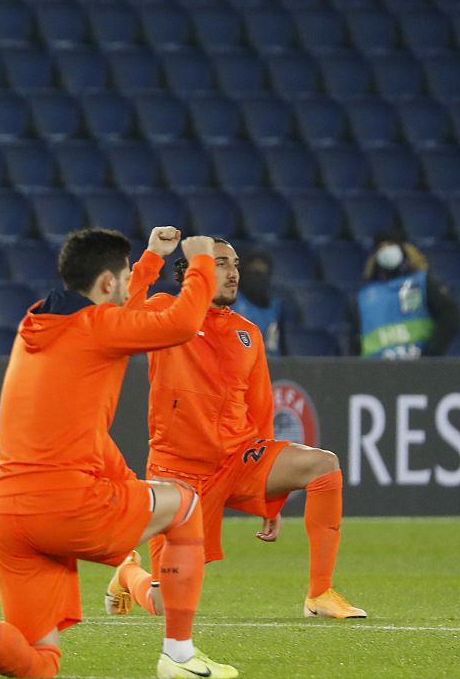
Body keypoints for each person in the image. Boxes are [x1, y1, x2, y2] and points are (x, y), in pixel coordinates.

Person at [0, 227, 238, 679]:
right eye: (128, 274)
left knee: (40, 663)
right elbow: (181, 324)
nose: (133, 280)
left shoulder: (35, 322)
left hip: (8, 516)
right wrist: (199, 267)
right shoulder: (98, 328)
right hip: (67, 505)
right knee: (186, 503)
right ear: (108, 284)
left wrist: (152, 259)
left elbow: (119, 317)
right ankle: (178, 655)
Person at [105, 240, 365, 620]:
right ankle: (128, 572)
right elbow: (121, 309)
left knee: (323, 465)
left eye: (235, 264)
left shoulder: (248, 333)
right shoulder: (165, 312)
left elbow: (260, 410)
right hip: (179, 473)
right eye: (221, 263)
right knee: (167, 606)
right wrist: (152, 256)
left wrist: (270, 497)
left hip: (239, 460)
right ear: (193, 272)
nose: (233, 273)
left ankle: (319, 593)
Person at [349, 230, 458, 358]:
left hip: (419, 370)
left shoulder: (422, 282)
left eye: (391, 245)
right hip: (377, 374)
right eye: (381, 247)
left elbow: (450, 315)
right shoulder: (362, 298)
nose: (387, 250)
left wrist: (430, 355)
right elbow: (356, 343)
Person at [229, 246, 286, 355]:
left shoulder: (276, 308)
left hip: (272, 368)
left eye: (262, 273)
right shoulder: (230, 303)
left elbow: (281, 346)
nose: (257, 277)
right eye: (253, 271)